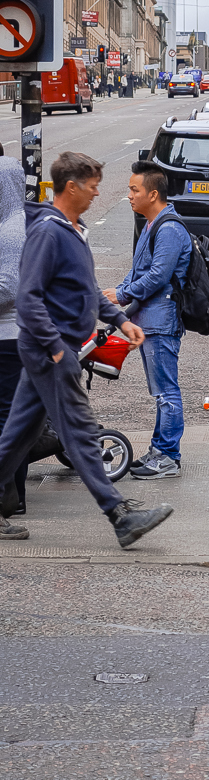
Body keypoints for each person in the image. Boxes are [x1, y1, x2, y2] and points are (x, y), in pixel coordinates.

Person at [0, 152, 174, 548]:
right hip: (51, 350)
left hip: (54, 348)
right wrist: (55, 350)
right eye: (92, 185)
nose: (98, 192)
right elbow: (27, 298)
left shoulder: (71, 230)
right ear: (72, 186)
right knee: (78, 431)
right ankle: (120, 516)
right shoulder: (48, 232)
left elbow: (86, 290)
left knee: (16, 438)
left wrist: (119, 319)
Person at [103, 161, 191, 481]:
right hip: (148, 319)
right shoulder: (152, 224)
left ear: (152, 194)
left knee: (166, 391)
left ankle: (168, 456)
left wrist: (122, 294)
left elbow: (157, 277)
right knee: (160, 391)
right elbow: (140, 269)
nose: (128, 195)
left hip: (161, 321)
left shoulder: (168, 229)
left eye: (134, 189)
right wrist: (119, 292)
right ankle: (159, 449)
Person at [0, 158, 28, 536]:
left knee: (9, 420)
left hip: (10, 339)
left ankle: (12, 496)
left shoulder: (12, 231)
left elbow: (7, 287)